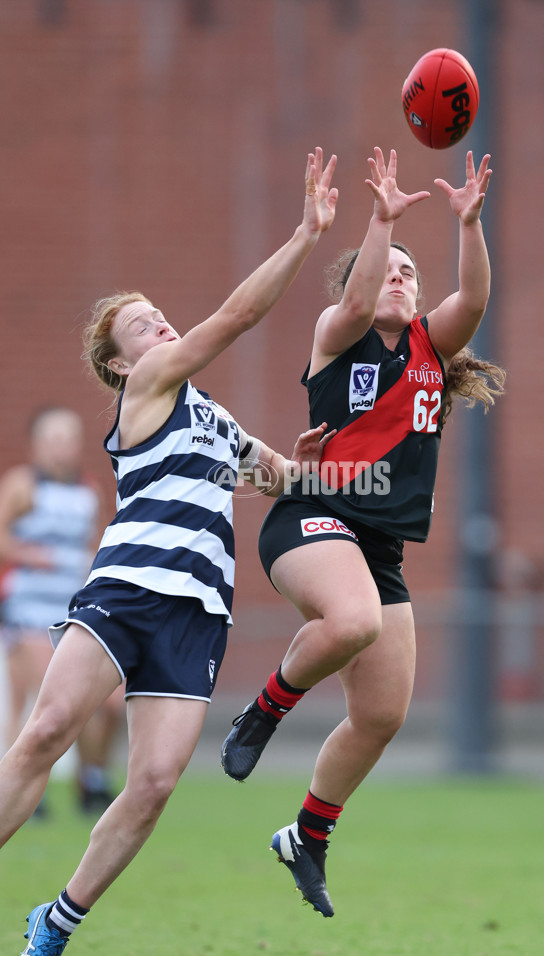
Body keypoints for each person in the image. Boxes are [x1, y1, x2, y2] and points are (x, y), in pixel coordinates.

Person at [0, 147, 338, 955]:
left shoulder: (213, 419)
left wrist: (339, 474)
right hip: (125, 589)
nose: (161, 324)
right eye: (141, 325)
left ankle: (55, 924)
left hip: (198, 615)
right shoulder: (146, 389)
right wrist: (304, 235)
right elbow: (235, 320)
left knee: (151, 783)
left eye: (160, 313)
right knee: (46, 731)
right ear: (121, 364)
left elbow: (283, 479)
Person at [221, 148, 506, 917]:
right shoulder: (338, 334)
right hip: (311, 518)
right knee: (350, 622)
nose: (402, 278)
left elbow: (473, 300)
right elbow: (354, 301)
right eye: (389, 268)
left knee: (382, 715)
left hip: (378, 547)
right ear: (359, 281)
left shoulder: (428, 348)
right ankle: (263, 711)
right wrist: (381, 221)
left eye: (412, 273)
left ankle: (307, 836)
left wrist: (469, 226)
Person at [0, 406, 124, 816]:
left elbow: (97, 548)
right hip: (27, 611)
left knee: (108, 701)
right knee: (44, 697)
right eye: (52, 438)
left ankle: (92, 780)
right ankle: (23, 790)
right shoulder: (22, 485)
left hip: (74, 611)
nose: (61, 447)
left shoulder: (88, 491)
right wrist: (31, 554)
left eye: (68, 438)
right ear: (36, 444)